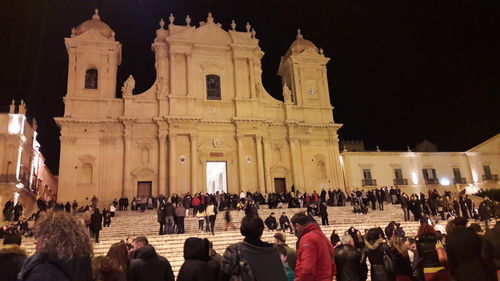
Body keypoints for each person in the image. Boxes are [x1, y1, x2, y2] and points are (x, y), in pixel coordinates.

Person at [18, 210, 93, 281]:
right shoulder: (83, 267)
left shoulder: (43, 274)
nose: (35, 241)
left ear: (53, 238)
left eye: (39, 236)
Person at [219, 215, 287, 281]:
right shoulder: (274, 251)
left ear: (242, 230)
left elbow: (223, 277)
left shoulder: (233, 250)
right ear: (261, 230)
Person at [291, 212, 336, 281]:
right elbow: (333, 260)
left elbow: (306, 269)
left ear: (297, 226)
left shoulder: (307, 239)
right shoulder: (321, 235)